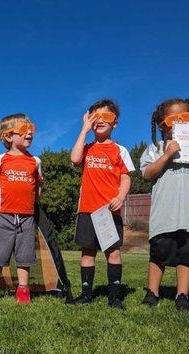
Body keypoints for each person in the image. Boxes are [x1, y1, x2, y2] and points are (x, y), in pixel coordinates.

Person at [140, 97, 189, 311]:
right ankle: (152, 292)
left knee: (185, 256)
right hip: (163, 215)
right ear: (163, 124)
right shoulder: (155, 148)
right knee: (158, 255)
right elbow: (147, 174)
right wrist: (167, 154)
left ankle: (182, 295)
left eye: (186, 118)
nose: (180, 123)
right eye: (174, 119)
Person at [70, 99, 134, 308]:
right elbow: (75, 158)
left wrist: (121, 197)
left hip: (108, 211)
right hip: (87, 209)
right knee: (87, 252)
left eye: (106, 117)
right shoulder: (87, 147)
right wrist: (84, 129)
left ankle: (114, 297)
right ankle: (86, 294)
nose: (100, 121)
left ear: (115, 123)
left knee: (113, 253)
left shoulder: (120, 150)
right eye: (95, 117)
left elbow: (126, 178)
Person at [0, 114, 42, 304]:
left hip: (26, 217)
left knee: (25, 255)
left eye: (31, 128)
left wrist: (34, 200)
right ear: (8, 137)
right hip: (5, 215)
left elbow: (38, 184)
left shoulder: (36, 161)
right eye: (24, 130)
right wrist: (1, 193)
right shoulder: (1, 160)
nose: (30, 133)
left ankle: (23, 291)